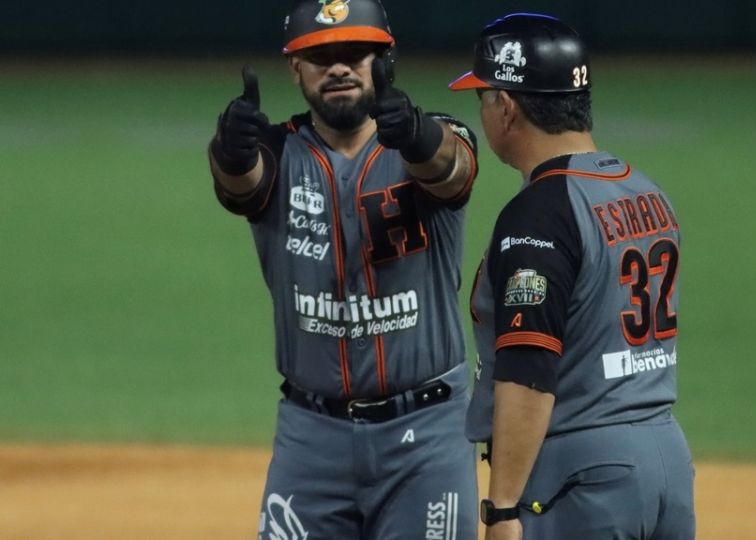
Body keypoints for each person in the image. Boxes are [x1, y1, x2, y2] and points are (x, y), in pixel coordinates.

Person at [207, 0, 480, 537]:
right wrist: (230, 152)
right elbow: (241, 185)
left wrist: (417, 134)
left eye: (355, 53)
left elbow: (453, 169)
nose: (338, 68)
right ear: (295, 69)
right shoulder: (277, 151)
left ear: (386, 60)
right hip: (311, 438)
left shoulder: (431, 137)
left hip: (426, 437)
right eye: (320, 56)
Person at [449, 13, 695, 540]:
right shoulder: (647, 192)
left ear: (506, 107)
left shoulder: (540, 214)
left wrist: (503, 507)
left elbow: (528, 368)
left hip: (582, 474)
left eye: (483, 97)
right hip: (668, 462)